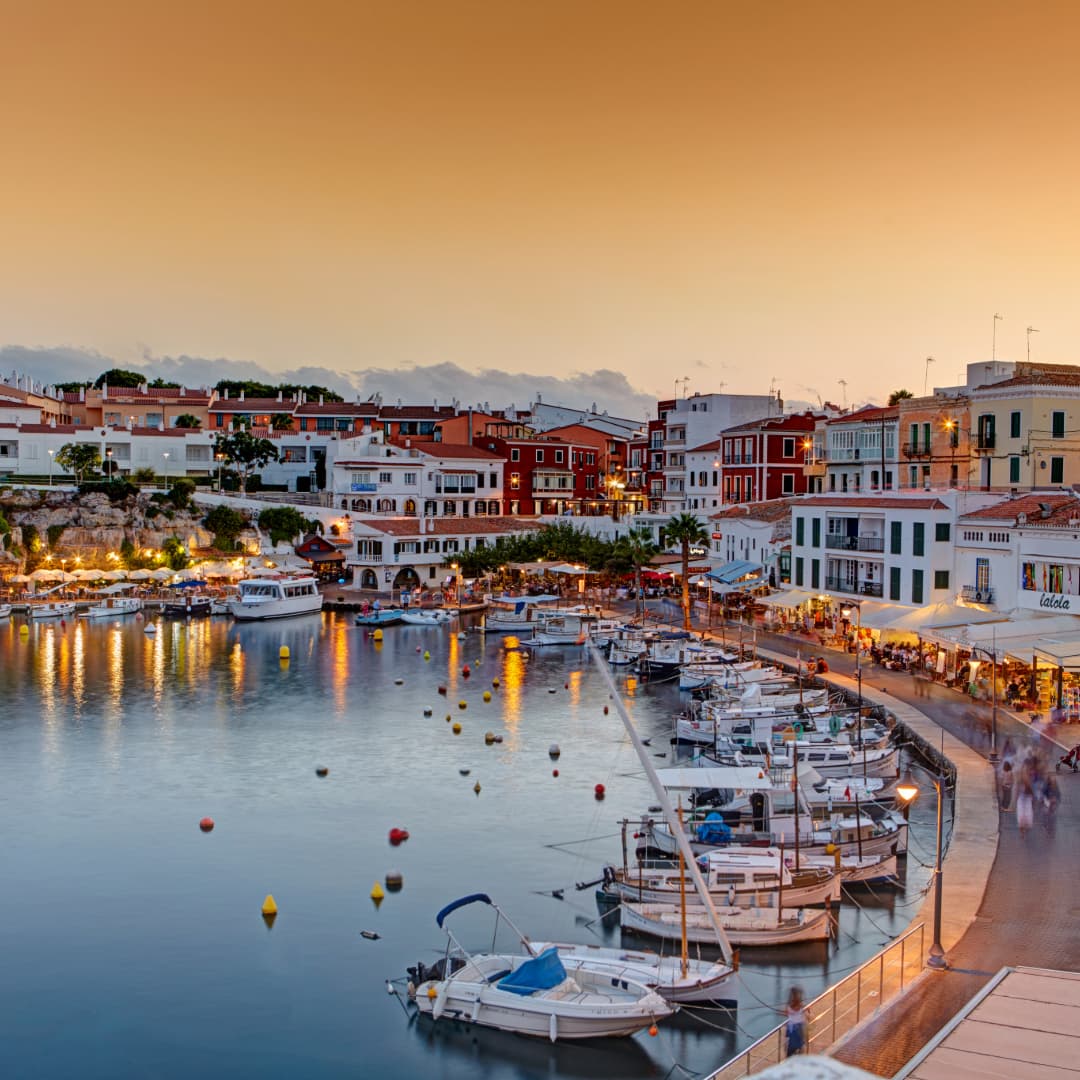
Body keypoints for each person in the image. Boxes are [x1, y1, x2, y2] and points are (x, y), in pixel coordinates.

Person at [784, 987, 808, 1056]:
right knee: (800, 1046)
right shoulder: (801, 1005)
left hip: (792, 1029)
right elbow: (806, 1012)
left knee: (790, 1049)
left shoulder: (788, 1006)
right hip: (800, 1028)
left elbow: (786, 1013)